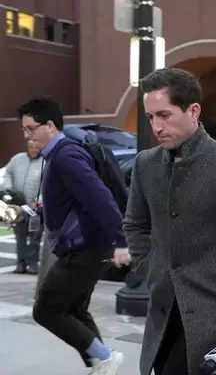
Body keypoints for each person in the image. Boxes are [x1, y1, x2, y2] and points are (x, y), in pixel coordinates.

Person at [123, 68, 216, 375]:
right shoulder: (145, 164)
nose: (156, 126)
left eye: (164, 115)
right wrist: (150, 268)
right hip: (163, 313)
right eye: (151, 117)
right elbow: (134, 225)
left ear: (193, 111)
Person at [16, 96, 130, 375]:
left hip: (84, 250)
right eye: (24, 130)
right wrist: (23, 214)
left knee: (46, 310)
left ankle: (104, 357)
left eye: (31, 128)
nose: (27, 136)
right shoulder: (57, 156)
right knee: (76, 311)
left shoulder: (66, 156)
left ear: (51, 126)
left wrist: (121, 242)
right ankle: (103, 365)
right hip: (86, 247)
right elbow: (60, 210)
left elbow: (100, 199)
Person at [0, 140, 45, 274]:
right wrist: (8, 188)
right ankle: (20, 264)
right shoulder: (17, 159)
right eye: (32, 147)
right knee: (20, 236)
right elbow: (8, 173)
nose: (34, 150)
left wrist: (39, 200)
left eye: (37, 147)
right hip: (17, 206)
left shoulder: (45, 162)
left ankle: (32, 264)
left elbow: (48, 183)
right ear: (27, 148)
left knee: (35, 237)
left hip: (35, 208)